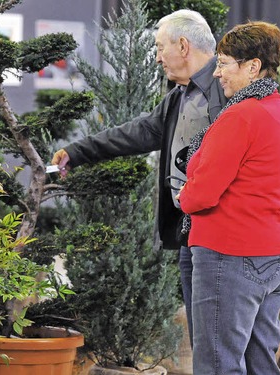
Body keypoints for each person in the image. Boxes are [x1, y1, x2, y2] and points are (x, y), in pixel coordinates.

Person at [51, 9, 227, 345]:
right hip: (191, 233)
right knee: (206, 342)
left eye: (162, 48)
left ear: (184, 46)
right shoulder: (180, 96)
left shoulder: (227, 92)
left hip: (220, 238)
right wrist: (77, 151)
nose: (158, 57)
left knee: (220, 346)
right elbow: (139, 132)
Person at [177, 21, 280, 374]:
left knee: (218, 364)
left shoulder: (240, 116)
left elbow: (200, 195)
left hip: (233, 254)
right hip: (277, 253)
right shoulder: (275, 109)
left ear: (252, 67)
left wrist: (185, 194)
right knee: (261, 361)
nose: (217, 73)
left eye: (224, 63)